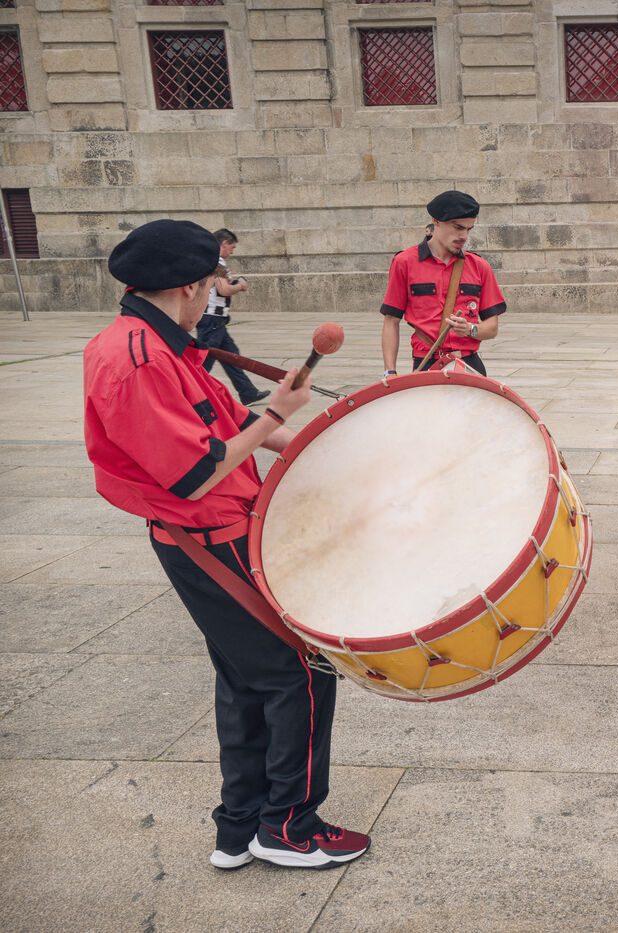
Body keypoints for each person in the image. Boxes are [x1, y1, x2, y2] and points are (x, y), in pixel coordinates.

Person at [83, 220, 371, 871]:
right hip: (207, 536)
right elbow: (196, 473)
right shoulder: (137, 360)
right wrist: (277, 415)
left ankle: (240, 827)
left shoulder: (156, 340)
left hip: (220, 527)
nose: (215, 291)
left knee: (247, 679)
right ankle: (289, 827)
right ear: (189, 287)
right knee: (301, 671)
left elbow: (228, 418)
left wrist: (322, 449)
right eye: (213, 281)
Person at [381, 190, 506, 377]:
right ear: (436, 221)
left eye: (469, 229)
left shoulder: (479, 266)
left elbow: (492, 327)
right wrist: (390, 372)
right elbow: (391, 321)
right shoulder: (404, 262)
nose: (464, 236)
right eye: (458, 227)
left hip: (468, 364)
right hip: (427, 362)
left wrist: (470, 329)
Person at [197, 229, 269, 405]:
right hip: (212, 319)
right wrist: (241, 286)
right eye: (232, 247)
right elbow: (223, 290)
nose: (232, 251)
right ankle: (190, 395)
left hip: (216, 320)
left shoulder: (211, 261)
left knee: (231, 358)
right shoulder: (217, 263)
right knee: (204, 361)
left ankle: (248, 392)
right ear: (224, 243)